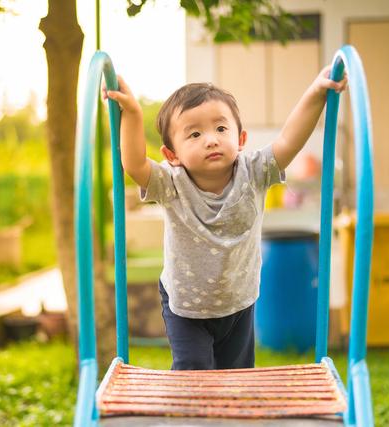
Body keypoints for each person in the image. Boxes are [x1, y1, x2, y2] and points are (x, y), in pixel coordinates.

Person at [104, 66, 347, 370]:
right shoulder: (171, 184)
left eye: (221, 129)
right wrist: (133, 113)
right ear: (172, 155)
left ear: (241, 138)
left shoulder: (255, 172)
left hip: (239, 302)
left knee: (236, 379)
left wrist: (315, 94)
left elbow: (289, 140)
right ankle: (194, 416)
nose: (211, 140)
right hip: (186, 308)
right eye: (194, 134)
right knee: (194, 371)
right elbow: (135, 164)